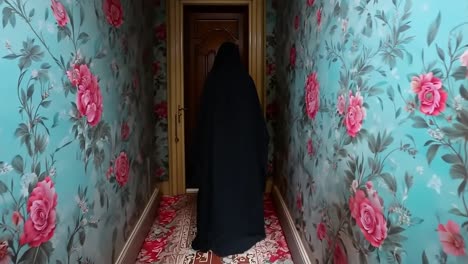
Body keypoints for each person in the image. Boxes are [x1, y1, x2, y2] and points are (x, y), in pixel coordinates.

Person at [190, 42, 269, 257]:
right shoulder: (246, 81)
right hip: (243, 153)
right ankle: (245, 229)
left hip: (217, 155)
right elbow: (257, 124)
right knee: (242, 187)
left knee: (218, 188)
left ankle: (219, 231)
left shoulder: (212, 82)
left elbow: (203, 123)